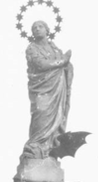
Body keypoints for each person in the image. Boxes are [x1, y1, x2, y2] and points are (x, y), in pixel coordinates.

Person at [21, 20, 73, 161]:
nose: (37, 29)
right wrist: (63, 61)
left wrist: (67, 65)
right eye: (34, 28)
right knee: (41, 113)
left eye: (40, 26)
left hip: (57, 88)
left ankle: (50, 147)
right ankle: (35, 145)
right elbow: (41, 65)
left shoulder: (55, 48)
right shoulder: (32, 48)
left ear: (47, 30)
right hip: (41, 87)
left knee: (56, 116)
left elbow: (67, 67)